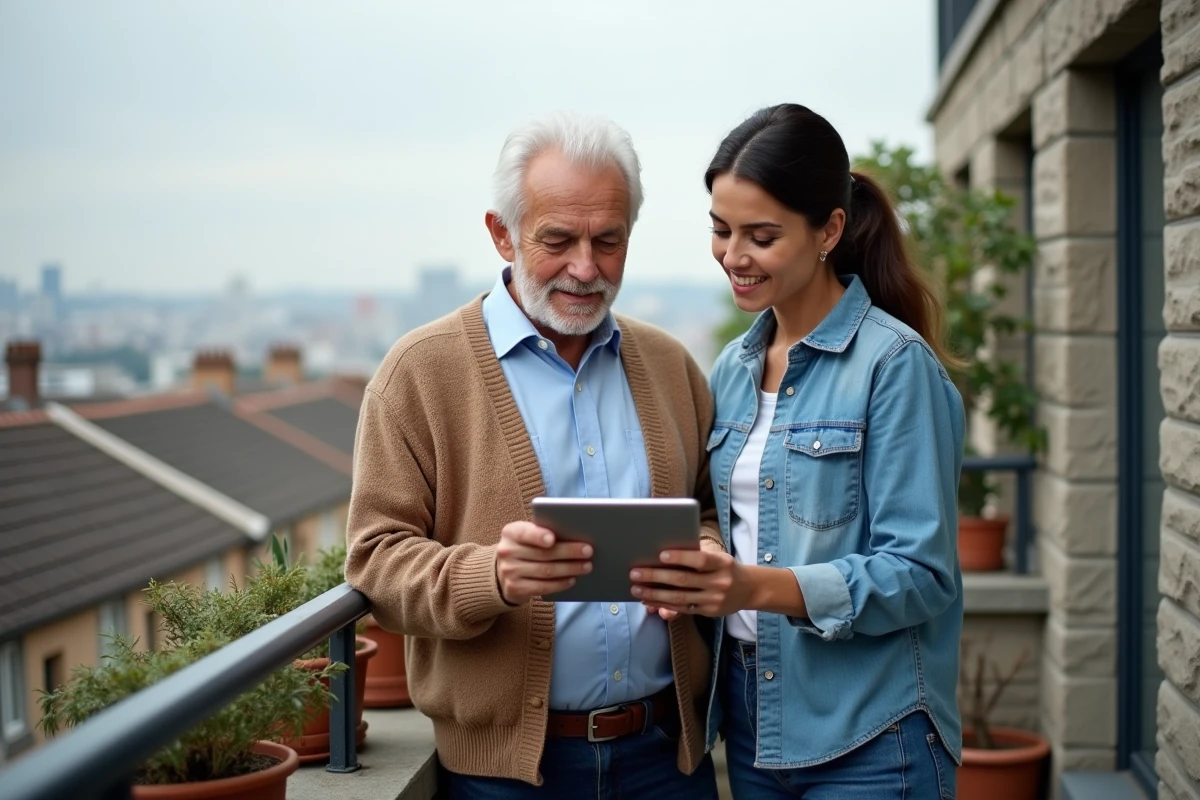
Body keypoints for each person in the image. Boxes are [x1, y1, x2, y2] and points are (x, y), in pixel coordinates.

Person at [344, 111, 721, 799]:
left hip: (667, 760)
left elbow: (710, 510)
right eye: (558, 240)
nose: (585, 267)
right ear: (501, 233)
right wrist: (492, 576)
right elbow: (375, 559)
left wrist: (702, 555)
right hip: (508, 779)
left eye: (609, 241)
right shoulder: (419, 373)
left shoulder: (672, 367)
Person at [631, 103, 965, 799]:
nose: (733, 256)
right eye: (721, 231)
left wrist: (755, 588)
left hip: (873, 731)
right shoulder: (731, 367)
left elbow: (921, 573)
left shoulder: (893, 366)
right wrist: (709, 553)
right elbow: (730, 516)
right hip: (754, 727)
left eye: (761, 236)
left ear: (829, 230)